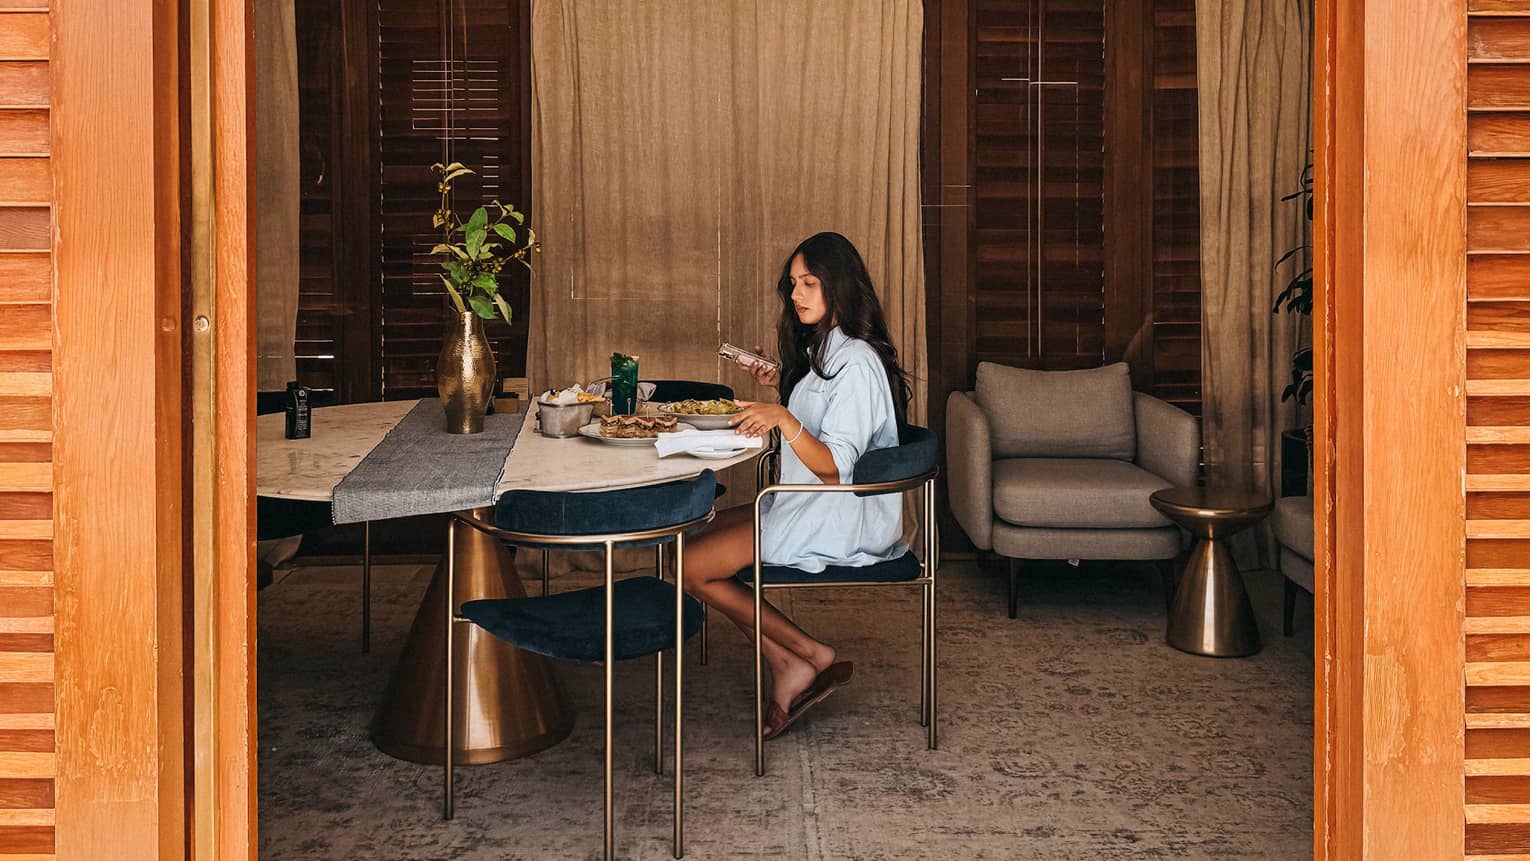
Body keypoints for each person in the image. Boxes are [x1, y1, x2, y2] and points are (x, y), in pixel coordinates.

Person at [682, 231, 912, 739]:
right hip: (808, 504)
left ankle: (810, 654)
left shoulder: (855, 363)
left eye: (810, 283)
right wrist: (783, 384)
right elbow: (818, 416)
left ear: (840, 287)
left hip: (839, 514)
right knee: (697, 543)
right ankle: (789, 665)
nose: (796, 294)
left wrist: (784, 418)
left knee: (688, 566)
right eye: (792, 284)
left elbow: (834, 466)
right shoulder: (827, 352)